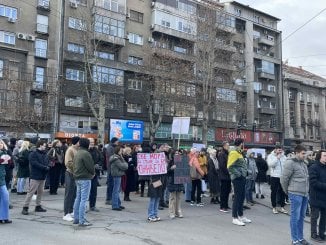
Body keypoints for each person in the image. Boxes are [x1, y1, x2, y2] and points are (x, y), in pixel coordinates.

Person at [281, 145, 310, 245]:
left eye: (305, 153)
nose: (305, 155)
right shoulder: (290, 163)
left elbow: (306, 178)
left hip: (304, 194)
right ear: (296, 153)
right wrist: (288, 191)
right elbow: (283, 179)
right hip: (295, 193)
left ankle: (300, 238)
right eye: (303, 153)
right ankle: (295, 240)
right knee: (295, 217)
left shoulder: (304, 163)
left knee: (301, 217)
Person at [227, 138, 251, 226]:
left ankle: (241, 215)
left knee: (241, 197)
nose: (243, 145)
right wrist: (239, 174)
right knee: (237, 197)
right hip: (238, 178)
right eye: (243, 143)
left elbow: (240, 165)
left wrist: (245, 172)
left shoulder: (238, 152)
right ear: (241, 144)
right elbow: (229, 166)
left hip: (241, 178)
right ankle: (235, 217)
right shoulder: (234, 152)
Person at [22, 140, 49, 215]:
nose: (45, 146)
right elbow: (34, 163)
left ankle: (38, 206)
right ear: (40, 145)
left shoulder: (44, 153)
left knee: (40, 192)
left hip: (43, 176)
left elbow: (47, 161)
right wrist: (44, 167)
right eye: (44, 145)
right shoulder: (33, 153)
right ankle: (25, 207)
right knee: (31, 192)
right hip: (35, 175)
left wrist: (48, 166)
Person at [73, 138, 94, 226]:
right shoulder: (86, 153)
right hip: (85, 178)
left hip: (77, 177)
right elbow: (90, 166)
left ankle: (76, 218)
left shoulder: (78, 152)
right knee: (83, 200)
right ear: (87, 144)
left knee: (78, 198)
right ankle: (82, 220)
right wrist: (93, 173)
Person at [308, 150, 326, 243]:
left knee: (324, 217)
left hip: (324, 197)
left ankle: (322, 234)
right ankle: (314, 234)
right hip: (315, 197)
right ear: (320, 156)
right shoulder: (313, 167)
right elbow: (313, 182)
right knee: (314, 217)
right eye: (325, 155)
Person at [62, 136, 79, 222]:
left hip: (75, 174)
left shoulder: (77, 149)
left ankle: (71, 210)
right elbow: (68, 163)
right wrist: (77, 168)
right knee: (68, 193)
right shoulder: (70, 150)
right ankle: (66, 213)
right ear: (76, 142)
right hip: (70, 173)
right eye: (79, 142)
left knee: (73, 193)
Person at [267, 145, 288, 214]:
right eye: (279, 150)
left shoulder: (284, 157)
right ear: (275, 150)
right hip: (274, 176)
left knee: (283, 192)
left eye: (281, 150)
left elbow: (286, 166)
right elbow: (270, 165)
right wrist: (277, 158)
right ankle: (274, 207)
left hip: (282, 177)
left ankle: (282, 207)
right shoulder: (271, 156)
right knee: (274, 192)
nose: (280, 151)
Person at [110, 145, 128, 211]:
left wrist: (122, 159)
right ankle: (115, 205)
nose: (122, 152)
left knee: (117, 190)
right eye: (121, 151)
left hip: (118, 174)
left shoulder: (118, 157)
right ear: (118, 151)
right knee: (116, 190)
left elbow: (124, 164)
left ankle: (118, 204)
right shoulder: (116, 159)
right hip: (117, 175)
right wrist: (124, 162)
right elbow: (124, 166)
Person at [167, 151, 184, 219]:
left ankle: (178, 211)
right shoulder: (170, 162)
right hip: (172, 181)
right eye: (175, 153)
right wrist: (171, 168)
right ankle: (171, 212)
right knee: (172, 198)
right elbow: (167, 172)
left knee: (179, 198)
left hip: (179, 181)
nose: (177, 154)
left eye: (178, 153)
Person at [88, 138, 102, 212]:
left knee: (94, 190)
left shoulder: (97, 150)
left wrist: (98, 164)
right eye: (91, 142)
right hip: (86, 174)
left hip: (95, 173)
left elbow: (101, 159)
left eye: (93, 142)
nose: (92, 143)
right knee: (85, 191)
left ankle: (92, 205)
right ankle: (82, 207)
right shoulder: (85, 150)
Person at [0, 139, 12, 223]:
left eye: (1, 143)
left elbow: (10, 162)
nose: (0, 144)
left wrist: (8, 161)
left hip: (2, 178)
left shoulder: (4, 153)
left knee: (5, 197)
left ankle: (4, 217)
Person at [105, 137, 119, 205]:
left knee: (112, 184)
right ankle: (108, 199)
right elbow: (112, 157)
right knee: (110, 184)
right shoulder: (110, 148)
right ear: (114, 141)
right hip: (111, 168)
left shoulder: (112, 147)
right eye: (117, 141)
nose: (118, 143)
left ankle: (110, 198)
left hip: (112, 168)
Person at [218, 142, 231, 213]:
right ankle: (222, 206)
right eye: (227, 146)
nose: (228, 147)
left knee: (227, 191)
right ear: (224, 146)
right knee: (223, 191)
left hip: (228, 176)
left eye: (229, 146)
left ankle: (226, 205)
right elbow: (222, 166)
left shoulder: (227, 153)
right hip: (224, 176)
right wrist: (228, 171)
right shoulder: (222, 154)